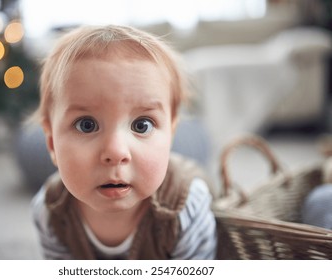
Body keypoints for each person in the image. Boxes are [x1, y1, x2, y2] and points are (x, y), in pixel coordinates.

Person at [30, 25, 217, 259]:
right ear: (51, 143)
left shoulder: (186, 207)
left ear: (170, 135)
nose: (115, 152)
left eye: (142, 125)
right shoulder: (50, 212)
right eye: (86, 125)